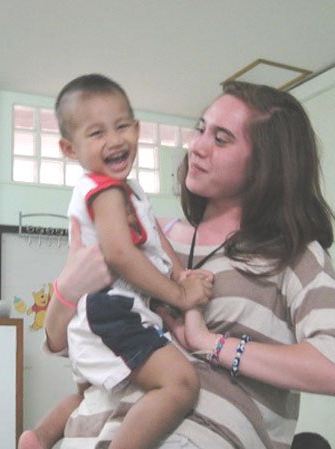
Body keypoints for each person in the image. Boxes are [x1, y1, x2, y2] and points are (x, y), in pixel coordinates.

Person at [43, 80, 335, 449]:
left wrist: (208, 343)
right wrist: (66, 291)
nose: (196, 146)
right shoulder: (148, 236)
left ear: (266, 163)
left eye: (221, 138)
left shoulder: (293, 255)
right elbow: (64, 343)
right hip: (88, 435)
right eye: (201, 130)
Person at [19, 74, 213, 449]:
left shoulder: (130, 189)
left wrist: (178, 270)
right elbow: (121, 256)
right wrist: (180, 294)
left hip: (103, 312)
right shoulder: (104, 191)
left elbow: (152, 236)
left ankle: (40, 437)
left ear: (137, 129)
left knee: (91, 393)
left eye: (122, 126)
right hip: (114, 309)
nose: (114, 140)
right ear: (69, 148)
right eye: (96, 133)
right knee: (180, 383)